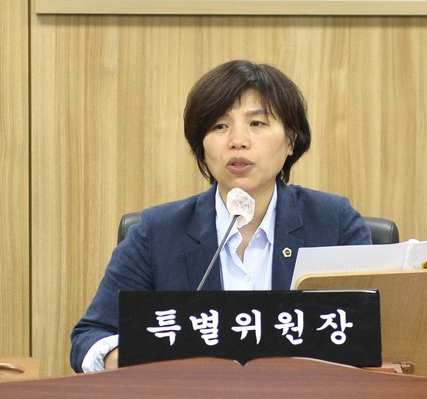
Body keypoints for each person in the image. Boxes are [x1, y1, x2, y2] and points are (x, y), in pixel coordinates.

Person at [70, 59, 372, 373]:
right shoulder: (158, 233)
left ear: (290, 141)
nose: (237, 140)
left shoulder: (334, 223)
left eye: (257, 123)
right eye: (220, 126)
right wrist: (120, 357)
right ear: (201, 146)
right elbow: (91, 335)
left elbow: (373, 331)